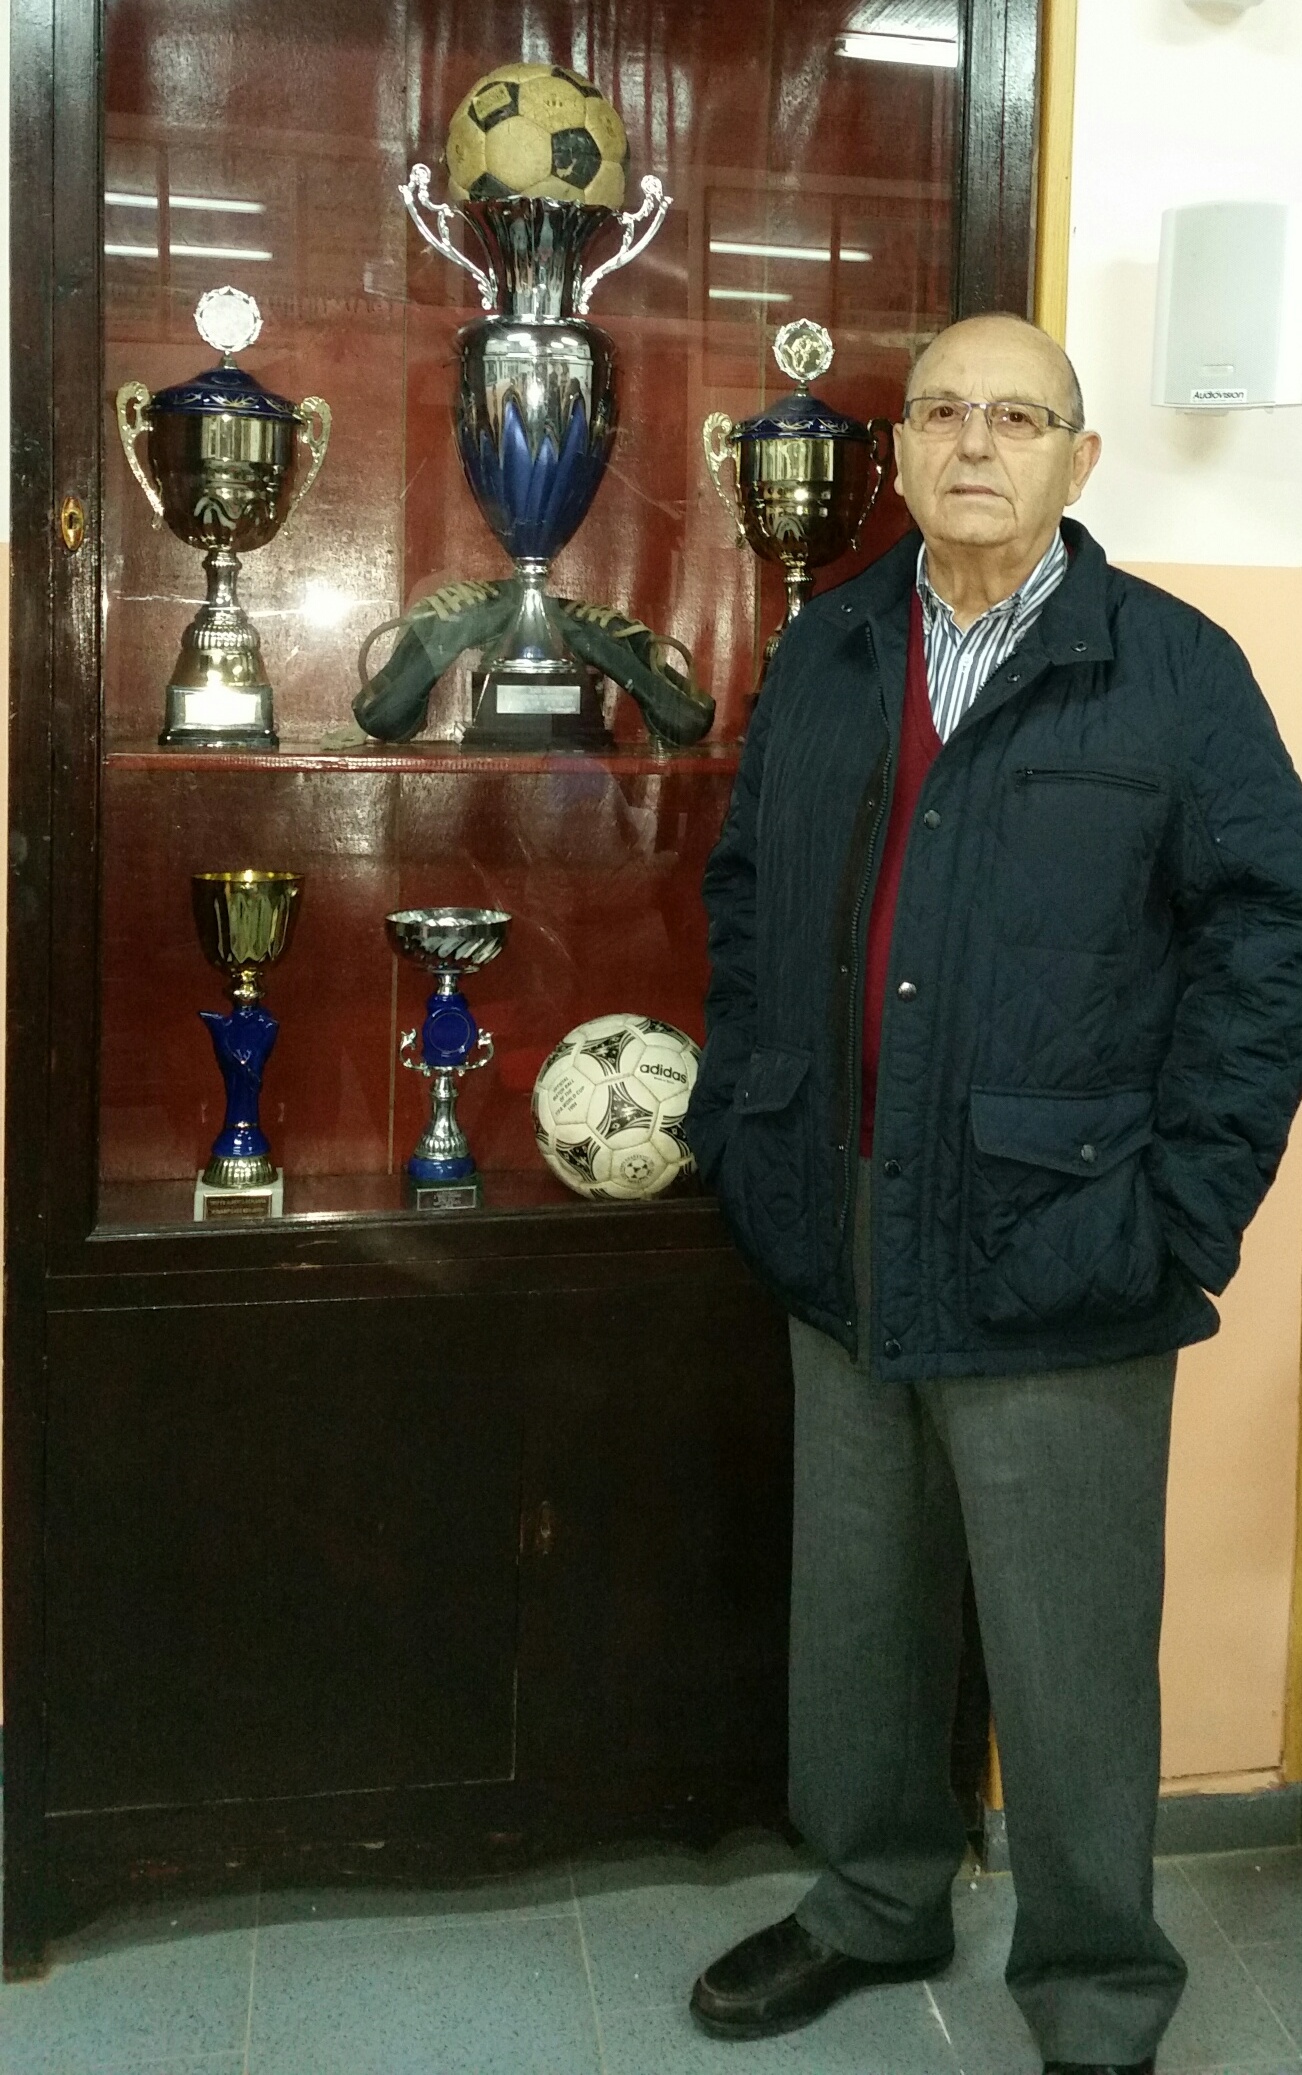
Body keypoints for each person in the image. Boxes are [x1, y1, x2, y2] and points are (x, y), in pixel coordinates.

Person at [683, 311, 1302, 2075]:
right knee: (859, 1614)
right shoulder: (826, 648)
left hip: (1065, 1228)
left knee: (1069, 1647)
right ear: (893, 452)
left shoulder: (1171, 670)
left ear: (1077, 460)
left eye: (1017, 418)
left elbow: (1268, 941)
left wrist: (1185, 1204)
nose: (974, 443)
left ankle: (1096, 1989)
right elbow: (746, 897)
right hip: (837, 1211)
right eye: (942, 411)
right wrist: (744, 1120)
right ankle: (873, 1902)